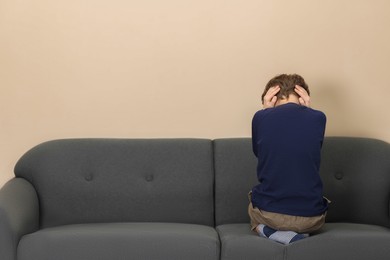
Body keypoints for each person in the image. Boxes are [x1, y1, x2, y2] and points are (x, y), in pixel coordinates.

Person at [248, 74, 329, 245]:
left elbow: (259, 152)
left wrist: (265, 110)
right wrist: (309, 111)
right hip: (312, 220)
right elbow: (311, 152)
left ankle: (268, 231)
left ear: (271, 98)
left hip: (270, 216)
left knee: (253, 209)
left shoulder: (260, 117)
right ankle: (300, 233)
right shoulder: (319, 118)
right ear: (303, 97)